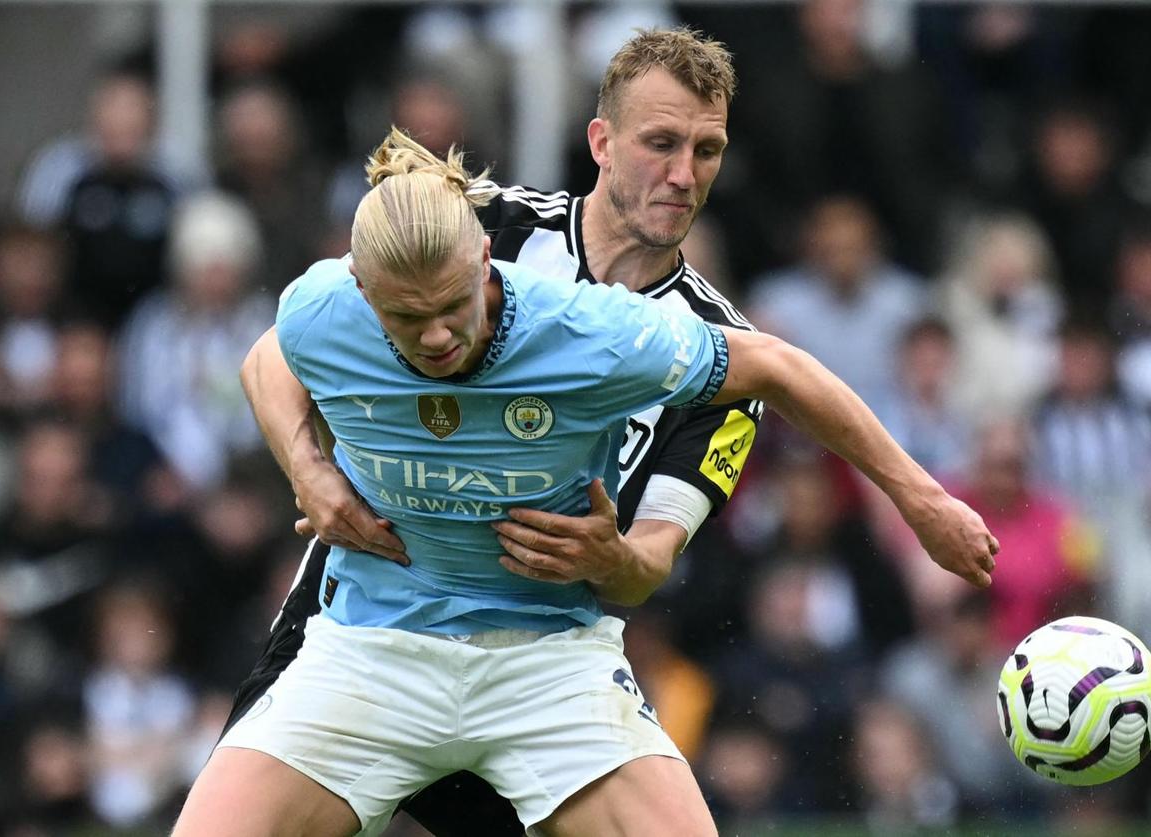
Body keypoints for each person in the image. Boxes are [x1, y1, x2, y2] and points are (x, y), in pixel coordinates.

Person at [173, 128, 997, 837]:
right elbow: (269, 357)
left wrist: (920, 498)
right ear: (359, 291)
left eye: (453, 305)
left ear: (483, 255)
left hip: (547, 664)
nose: (435, 336)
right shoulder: (324, 308)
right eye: (404, 317)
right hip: (368, 655)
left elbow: (776, 367)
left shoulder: (589, 332)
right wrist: (307, 469)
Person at [232, 28, 764, 836]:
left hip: (532, 657)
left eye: (707, 149)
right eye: (660, 143)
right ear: (602, 141)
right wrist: (307, 469)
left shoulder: (725, 364)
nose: (682, 175)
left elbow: (649, 564)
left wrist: (616, 557)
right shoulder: (488, 229)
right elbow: (278, 354)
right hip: (359, 623)